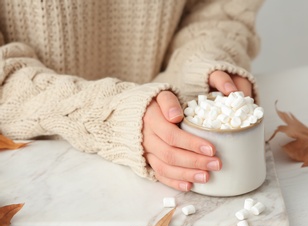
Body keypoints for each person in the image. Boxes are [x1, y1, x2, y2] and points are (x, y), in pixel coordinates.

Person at [0, 0, 263, 191]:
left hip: (164, 159)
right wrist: (113, 114)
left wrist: (202, 59)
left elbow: (217, 8)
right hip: (28, 176)